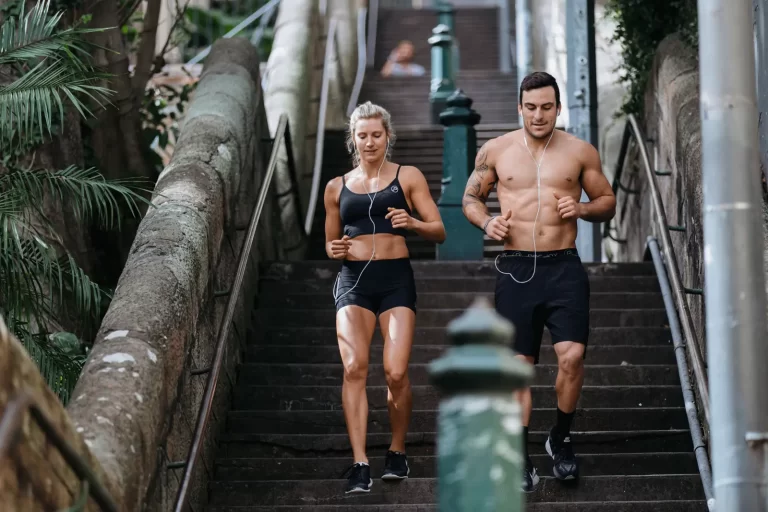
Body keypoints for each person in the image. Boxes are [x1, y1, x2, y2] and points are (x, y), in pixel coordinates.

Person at [460, 71, 616, 493]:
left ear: (558, 107)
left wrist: (582, 210)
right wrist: (487, 221)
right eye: (531, 107)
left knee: (573, 357)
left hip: (563, 266)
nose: (538, 115)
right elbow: (470, 198)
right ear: (520, 108)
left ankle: (560, 439)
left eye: (547, 107)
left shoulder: (579, 152)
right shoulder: (497, 150)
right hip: (515, 268)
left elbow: (607, 201)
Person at [323, 101, 446, 494]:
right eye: (363, 136)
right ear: (353, 140)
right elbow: (329, 242)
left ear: (387, 136)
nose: (370, 142)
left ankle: (396, 448)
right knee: (355, 366)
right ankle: (360, 462)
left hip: (395, 280)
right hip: (353, 280)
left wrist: (411, 222)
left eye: (377, 134)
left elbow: (440, 229)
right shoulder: (336, 187)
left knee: (394, 371)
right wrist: (335, 250)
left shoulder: (406, 176)